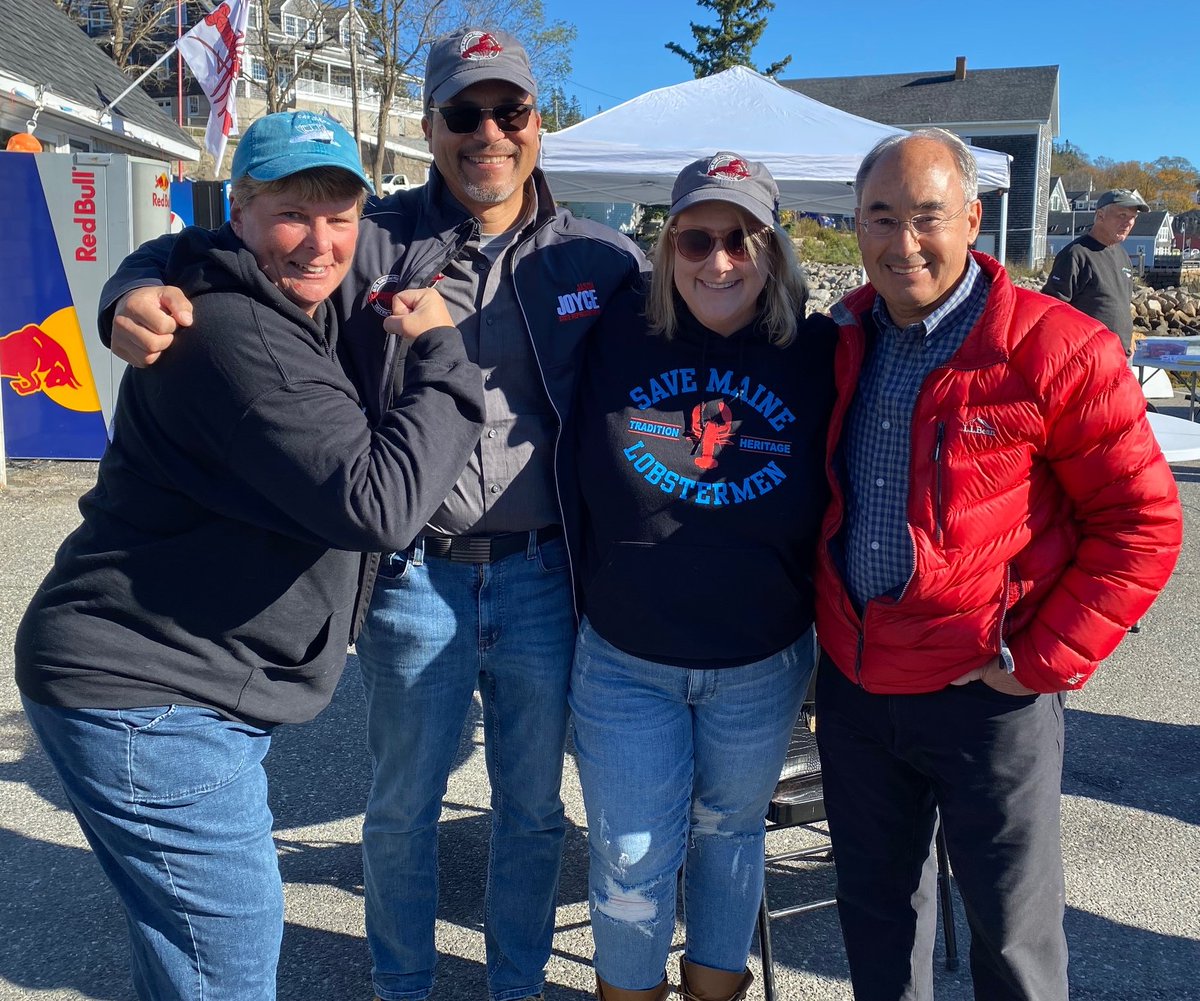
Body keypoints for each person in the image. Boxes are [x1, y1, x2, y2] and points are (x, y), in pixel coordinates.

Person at [97, 28, 646, 1001]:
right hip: (414, 572)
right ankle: (403, 984)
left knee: (532, 807)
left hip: (545, 573)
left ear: (538, 125)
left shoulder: (601, 260)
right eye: (464, 113)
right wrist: (131, 287)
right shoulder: (369, 236)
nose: (488, 132)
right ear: (431, 127)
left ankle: (516, 984)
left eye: (509, 111)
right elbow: (209, 249)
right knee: (401, 806)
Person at [14, 111, 485, 1001]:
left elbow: (187, 249)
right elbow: (378, 504)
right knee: (224, 966)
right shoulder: (238, 336)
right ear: (241, 209)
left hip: (172, 681)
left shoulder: (276, 282)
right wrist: (441, 352)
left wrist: (132, 280)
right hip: (152, 694)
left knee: (189, 961)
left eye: (339, 215)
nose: (320, 241)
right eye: (291, 214)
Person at [812, 129, 1182, 1001]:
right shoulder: (839, 339)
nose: (903, 242)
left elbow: (1141, 523)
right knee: (876, 923)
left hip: (988, 695)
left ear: (973, 220)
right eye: (881, 217)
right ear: (856, 225)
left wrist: (1039, 661)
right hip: (858, 689)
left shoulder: (1058, 347)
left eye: (927, 216)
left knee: (1012, 938)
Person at [566, 154, 837, 1001]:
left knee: (730, 837)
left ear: (774, 249)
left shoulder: (823, 351)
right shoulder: (613, 329)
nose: (719, 261)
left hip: (762, 661)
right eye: (696, 239)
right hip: (625, 657)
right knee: (631, 853)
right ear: (667, 246)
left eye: (742, 239)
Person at [1041, 188, 1149, 356]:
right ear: (1100, 216)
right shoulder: (1076, 254)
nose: (1128, 222)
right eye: (1122, 215)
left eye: (1133, 217)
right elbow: (1052, 309)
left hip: (1121, 356)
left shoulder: (1123, 256)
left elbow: (1118, 306)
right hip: (1089, 357)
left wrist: (1129, 335)